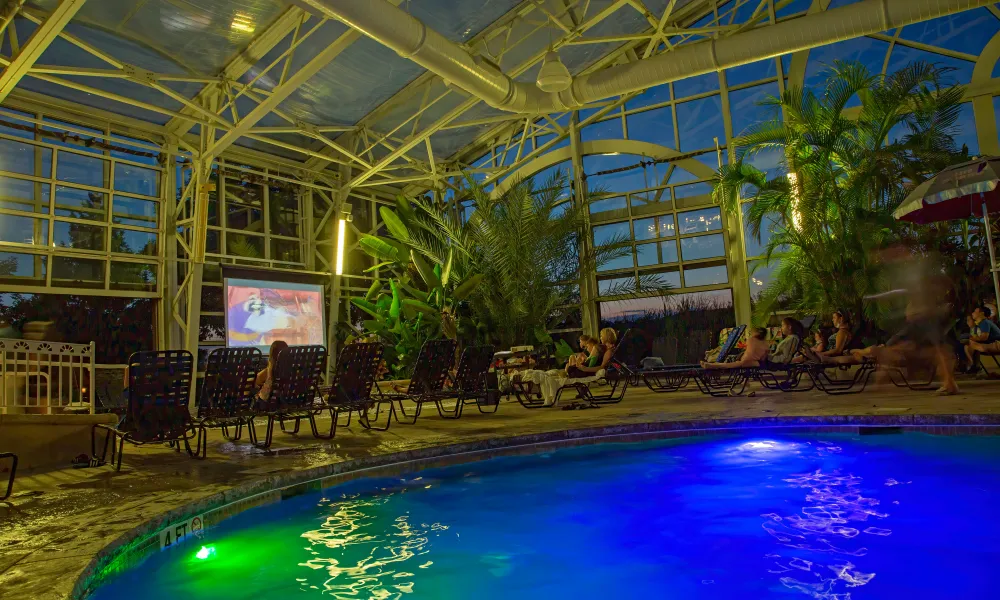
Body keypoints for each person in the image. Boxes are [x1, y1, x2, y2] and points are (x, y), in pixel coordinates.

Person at [701, 327, 768, 370]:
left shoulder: (750, 340)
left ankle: (711, 365)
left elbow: (747, 350)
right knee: (729, 365)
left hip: (745, 361)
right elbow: (763, 358)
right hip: (754, 362)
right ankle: (710, 365)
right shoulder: (766, 344)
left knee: (729, 365)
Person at [964, 305, 1000, 373]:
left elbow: (984, 337)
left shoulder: (984, 322)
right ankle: (974, 365)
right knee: (968, 345)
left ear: (982, 313)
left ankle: (974, 365)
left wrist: (972, 339)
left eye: (975, 311)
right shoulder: (981, 323)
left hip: (996, 344)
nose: (972, 313)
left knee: (969, 343)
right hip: (992, 343)